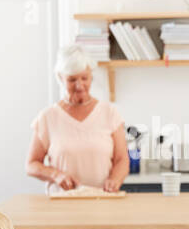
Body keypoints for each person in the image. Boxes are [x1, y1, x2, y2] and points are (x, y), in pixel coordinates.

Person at [26, 44, 129, 193]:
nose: (80, 86)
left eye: (84, 78)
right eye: (72, 80)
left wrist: (115, 180)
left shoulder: (109, 113)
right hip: (62, 204)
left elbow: (121, 159)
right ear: (61, 78)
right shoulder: (47, 117)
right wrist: (56, 175)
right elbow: (31, 164)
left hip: (102, 202)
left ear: (91, 76)